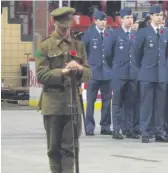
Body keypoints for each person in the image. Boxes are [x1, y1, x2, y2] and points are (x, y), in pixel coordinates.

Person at [35, 7, 91, 173]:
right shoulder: (44, 46)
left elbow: (88, 72)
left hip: (72, 103)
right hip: (53, 104)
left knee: (70, 148)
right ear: (54, 23)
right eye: (62, 28)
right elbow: (40, 74)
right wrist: (63, 72)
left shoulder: (78, 45)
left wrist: (79, 68)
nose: (66, 31)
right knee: (53, 149)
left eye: (68, 28)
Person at [134, 5, 168, 143]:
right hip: (147, 73)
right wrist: (143, 68)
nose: (160, 17)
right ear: (151, 16)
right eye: (157, 15)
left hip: (161, 74)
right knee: (146, 104)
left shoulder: (165, 32)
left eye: (161, 15)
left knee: (160, 105)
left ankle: (159, 131)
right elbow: (137, 54)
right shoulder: (143, 33)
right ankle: (146, 131)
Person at [107, 7, 139, 139]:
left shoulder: (135, 34)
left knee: (130, 103)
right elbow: (108, 55)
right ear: (121, 19)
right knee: (117, 102)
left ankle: (129, 128)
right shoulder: (114, 34)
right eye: (127, 18)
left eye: (131, 18)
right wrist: (115, 67)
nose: (130, 20)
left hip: (132, 74)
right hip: (119, 74)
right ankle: (116, 129)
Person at [81, 11, 113, 136]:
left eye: (104, 20)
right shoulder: (89, 34)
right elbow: (83, 52)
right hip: (93, 73)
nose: (103, 22)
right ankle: (89, 126)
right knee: (90, 101)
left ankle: (105, 126)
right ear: (95, 21)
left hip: (107, 73)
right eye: (100, 20)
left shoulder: (110, 34)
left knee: (106, 101)